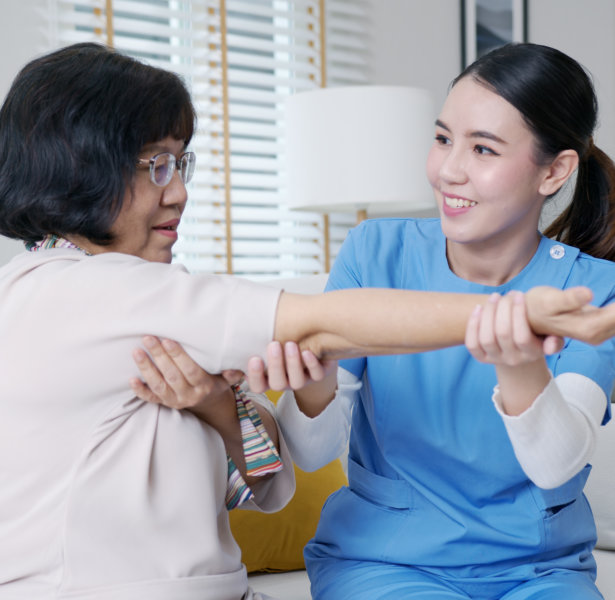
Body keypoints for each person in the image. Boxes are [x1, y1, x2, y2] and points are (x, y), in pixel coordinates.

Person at [1, 42, 607, 600]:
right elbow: (318, 325)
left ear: (554, 171)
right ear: (82, 167)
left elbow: (271, 482)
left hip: (526, 569)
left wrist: (218, 406)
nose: (180, 191)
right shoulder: (89, 291)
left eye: (180, 164)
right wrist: (515, 316)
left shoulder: (147, 296)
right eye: (157, 165)